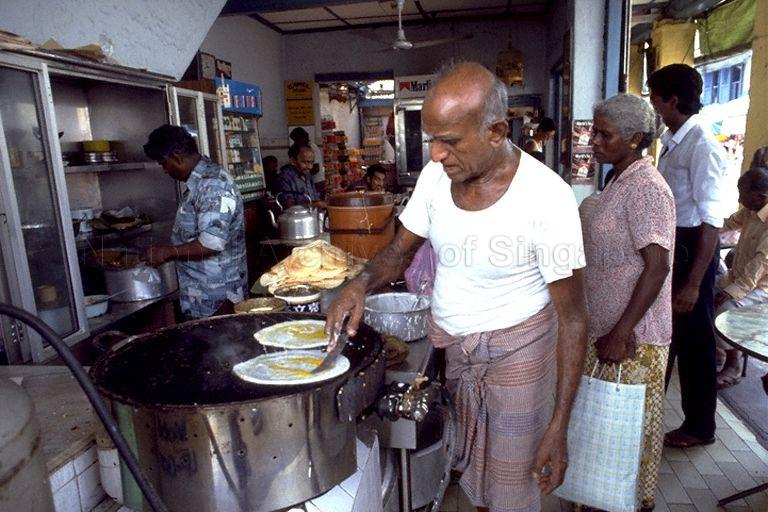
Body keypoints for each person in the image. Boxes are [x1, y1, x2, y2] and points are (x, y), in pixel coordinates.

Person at [326, 62, 588, 512]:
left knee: (512, 487)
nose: (435, 155)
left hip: (518, 356)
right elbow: (399, 250)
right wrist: (360, 283)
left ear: (496, 131)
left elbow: (575, 318)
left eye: (449, 141)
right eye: (432, 139)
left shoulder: (548, 198)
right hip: (459, 355)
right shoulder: (437, 177)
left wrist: (558, 426)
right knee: (472, 473)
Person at [581, 94, 675, 512]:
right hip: (605, 328)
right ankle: (600, 499)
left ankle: (629, 504)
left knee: (627, 430)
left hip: (633, 338)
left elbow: (657, 266)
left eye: (605, 134)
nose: (594, 142)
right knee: (604, 430)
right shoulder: (620, 177)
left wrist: (621, 332)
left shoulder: (648, 188)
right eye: (594, 131)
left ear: (635, 138)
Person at [649, 63, 727, 448]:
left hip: (694, 250)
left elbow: (712, 221)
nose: (653, 105)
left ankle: (700, 427)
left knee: (695, 343)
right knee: (671, 336)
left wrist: (695, 284)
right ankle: (653, 414)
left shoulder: (703, 147)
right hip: (674, 247)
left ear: (673, 101)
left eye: (655, 98)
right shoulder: (673, 140)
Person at [142, 124, 246, 319]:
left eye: (163, 163)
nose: (164, 170)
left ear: (176, 156)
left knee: (219, 348)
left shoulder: (213, 185)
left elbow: (211, 243)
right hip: (202, 294)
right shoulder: (199, 183)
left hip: (216, 297)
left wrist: (168, 252)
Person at [714, 167, 768, 388]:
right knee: (703, 292)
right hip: (740, 279)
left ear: (761, 196)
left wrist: (731, 291)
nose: (739, 199)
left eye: (744, 194)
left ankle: (733, 364)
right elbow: (727, 223)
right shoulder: (750, 209)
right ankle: (717, 350)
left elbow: (760, 264)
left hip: (760, 289)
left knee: (724, 311)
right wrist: (703, 228)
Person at [276, 143, 326, 208]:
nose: (310, 167)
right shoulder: (284, 178)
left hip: (312, 216)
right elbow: (289, 206)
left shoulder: (307, 175)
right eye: (306, 162)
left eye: (312, 162)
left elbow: (314, 197)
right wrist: (317, 204)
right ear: (293, 161)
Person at [289, 126, 325, 195]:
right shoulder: (304, 148)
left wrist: (302, 174)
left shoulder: (312, 147)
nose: (295, 142)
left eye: (296, 140)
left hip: (317, 182)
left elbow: (316, 168)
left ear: (301, 138)